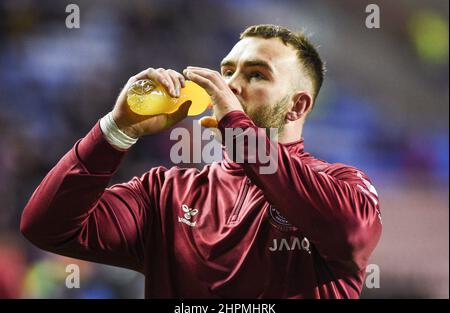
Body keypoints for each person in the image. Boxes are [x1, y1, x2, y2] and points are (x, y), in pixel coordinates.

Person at [20, 24, 382, 298]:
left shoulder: (342, 185)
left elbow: (350, 234)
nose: (230, 86)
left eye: (256, 74)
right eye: (227, 71)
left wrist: (239, 130)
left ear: (297, 106)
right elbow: (46, 226)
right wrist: (118, 129)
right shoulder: (164, 193)